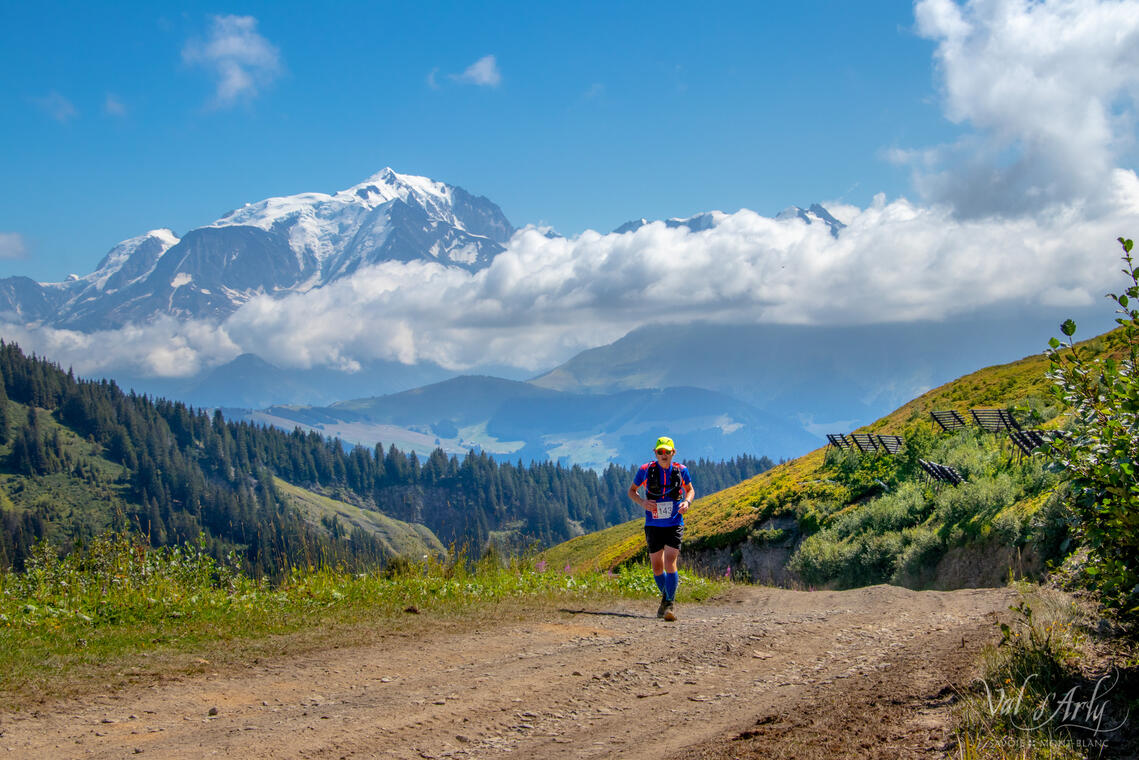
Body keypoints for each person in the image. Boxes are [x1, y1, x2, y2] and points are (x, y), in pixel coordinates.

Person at [627, 436, 695, 621]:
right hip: (653, 524)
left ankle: (669, 603)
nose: (663, 455)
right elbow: (631, 491)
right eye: (660, 452)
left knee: (670, 561)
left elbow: (690, 489)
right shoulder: (645, 470)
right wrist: (642, 502)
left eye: (667, 452)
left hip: (674, 522)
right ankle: (665, 602)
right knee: (657, 567)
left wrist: (687, 502)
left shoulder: (681, 471)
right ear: (655, 453)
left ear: (673, 453)